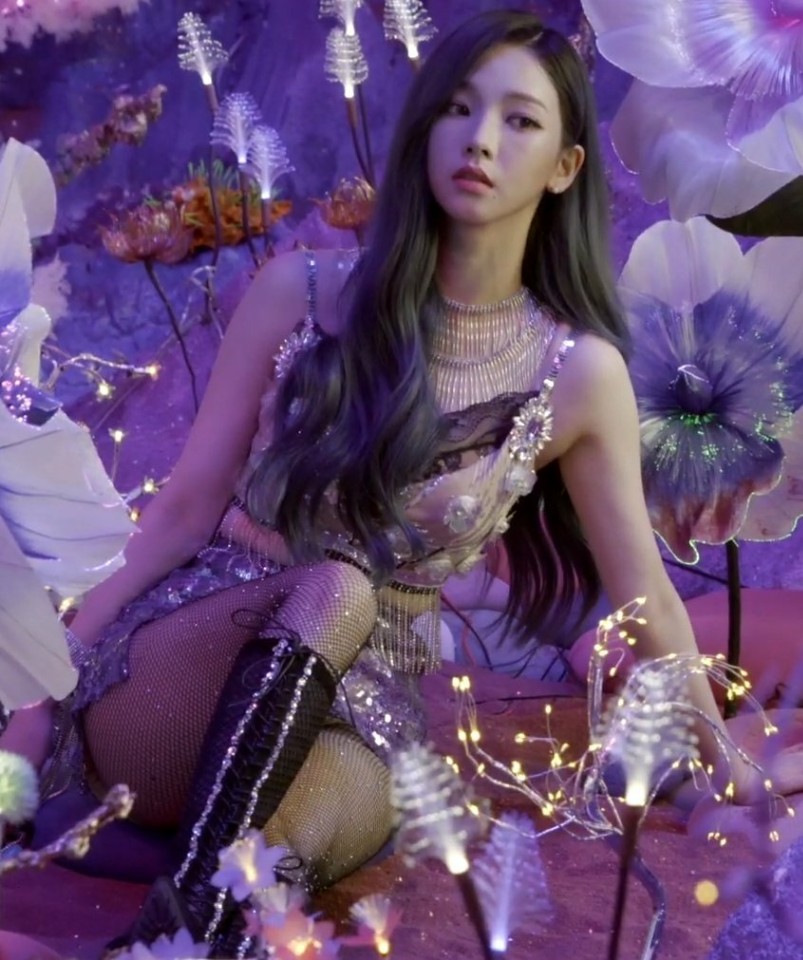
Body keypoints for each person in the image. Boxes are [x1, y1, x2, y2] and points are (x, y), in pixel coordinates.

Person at [3, 7, 803, 952]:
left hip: (368, 710)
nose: (480, 139)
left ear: (563, 167)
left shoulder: (578, 373)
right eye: (458, 108)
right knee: (337, 587)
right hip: (181, 665)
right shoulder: (301, 290)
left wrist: (727, 766)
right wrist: (35, 699)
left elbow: (648, 599)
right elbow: (181, 511)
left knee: (276, 857)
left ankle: (177, 937)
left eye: (519, 119)